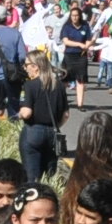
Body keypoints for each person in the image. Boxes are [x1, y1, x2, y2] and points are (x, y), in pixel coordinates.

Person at [17, 49, 66, 185]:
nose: (25, 68)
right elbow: (66, 114)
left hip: (33, 131)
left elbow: (26, 112)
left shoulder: (29, 85)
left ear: (35, 67)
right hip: (53, 132)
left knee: (32, 177)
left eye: (26, 65)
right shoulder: (59, 85)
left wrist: (18, 114)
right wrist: (56, 126)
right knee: (49, 176)